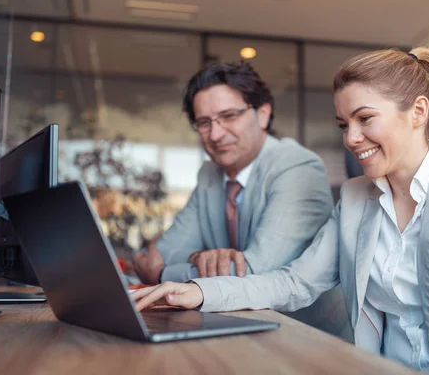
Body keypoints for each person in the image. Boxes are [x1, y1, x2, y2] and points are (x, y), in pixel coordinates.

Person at [131, 48, 429, 373]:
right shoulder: (356, 198)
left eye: (365, 119)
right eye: (342, 124)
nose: (351, 138)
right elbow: (295, 283)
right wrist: (200, 293)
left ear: (419, 113)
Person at [133, 62, 349, 338]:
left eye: (229, 116)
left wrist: (163, 275)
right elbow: (164, 251)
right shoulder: (210, 174)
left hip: (311, 337)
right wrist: (195, 257)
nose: (216, 134)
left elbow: (258, 270)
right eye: (204, 122)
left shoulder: (297, 167)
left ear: (262, 114)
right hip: (240, 329)